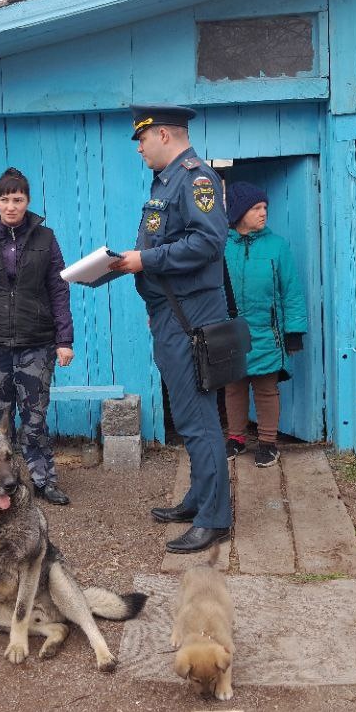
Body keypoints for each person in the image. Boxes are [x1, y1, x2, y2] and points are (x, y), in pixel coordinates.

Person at [109, 105, 231, 554]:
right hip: (172, 314)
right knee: (188, 414)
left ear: (163, 135)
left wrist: (145, 261)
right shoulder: (166, 181)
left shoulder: (196, 179)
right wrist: (155, 300)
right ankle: (200, 498)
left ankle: (214, 518)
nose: (139, 149)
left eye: (142, 140)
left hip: (190, 318)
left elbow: (208, 241)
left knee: (199, 419)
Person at [0, 167, 75, 505]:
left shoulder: (45, 239)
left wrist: (64, 340)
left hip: (37, 343)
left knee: (35, 417)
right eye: (5, 199)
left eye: (18, 199)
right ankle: (0, 484)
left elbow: (58, 290)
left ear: (28, 201)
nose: (11, 206)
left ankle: (42, 480)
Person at [221, 181, 308, 468]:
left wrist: (294, 331)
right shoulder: (221, 246)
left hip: (267, 333)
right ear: (238, 212)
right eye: (256, 208)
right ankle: (236, 438)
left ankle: (268, 443)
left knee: (266, 389)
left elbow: (291, 290)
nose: (263, 213)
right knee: (234, 388)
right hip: (231, 331)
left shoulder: (277, 246)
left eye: (264, 207)